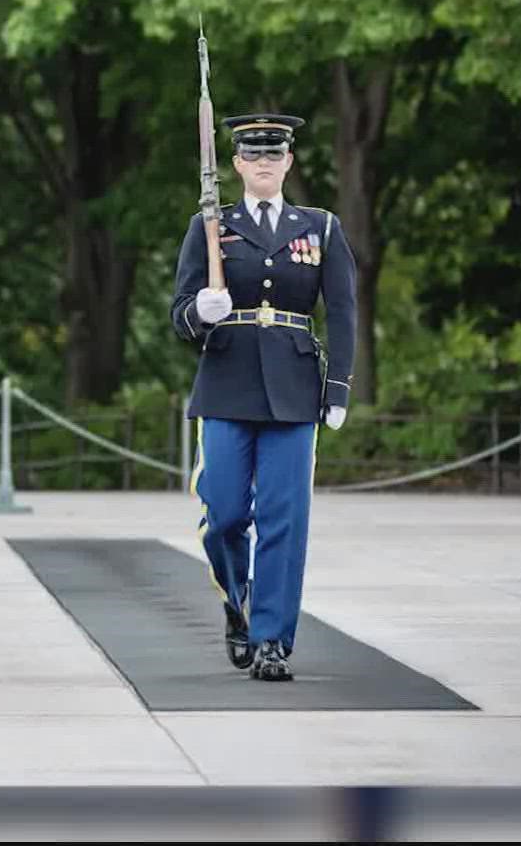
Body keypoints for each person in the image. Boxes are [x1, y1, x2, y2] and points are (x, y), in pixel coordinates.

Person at [170, 112, 356, 682]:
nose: (264, 164)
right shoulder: (211, 227)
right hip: (227, 382)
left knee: (285, 519)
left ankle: (272, 638)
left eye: (273, 155)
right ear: (236, 165)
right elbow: (179, 315)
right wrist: (201, 312)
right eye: (253, 156)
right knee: (224, 513)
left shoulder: (318, 227)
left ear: (289, 162)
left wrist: (339, 386)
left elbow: (343, 310)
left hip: (295, 388)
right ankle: (239, 597)